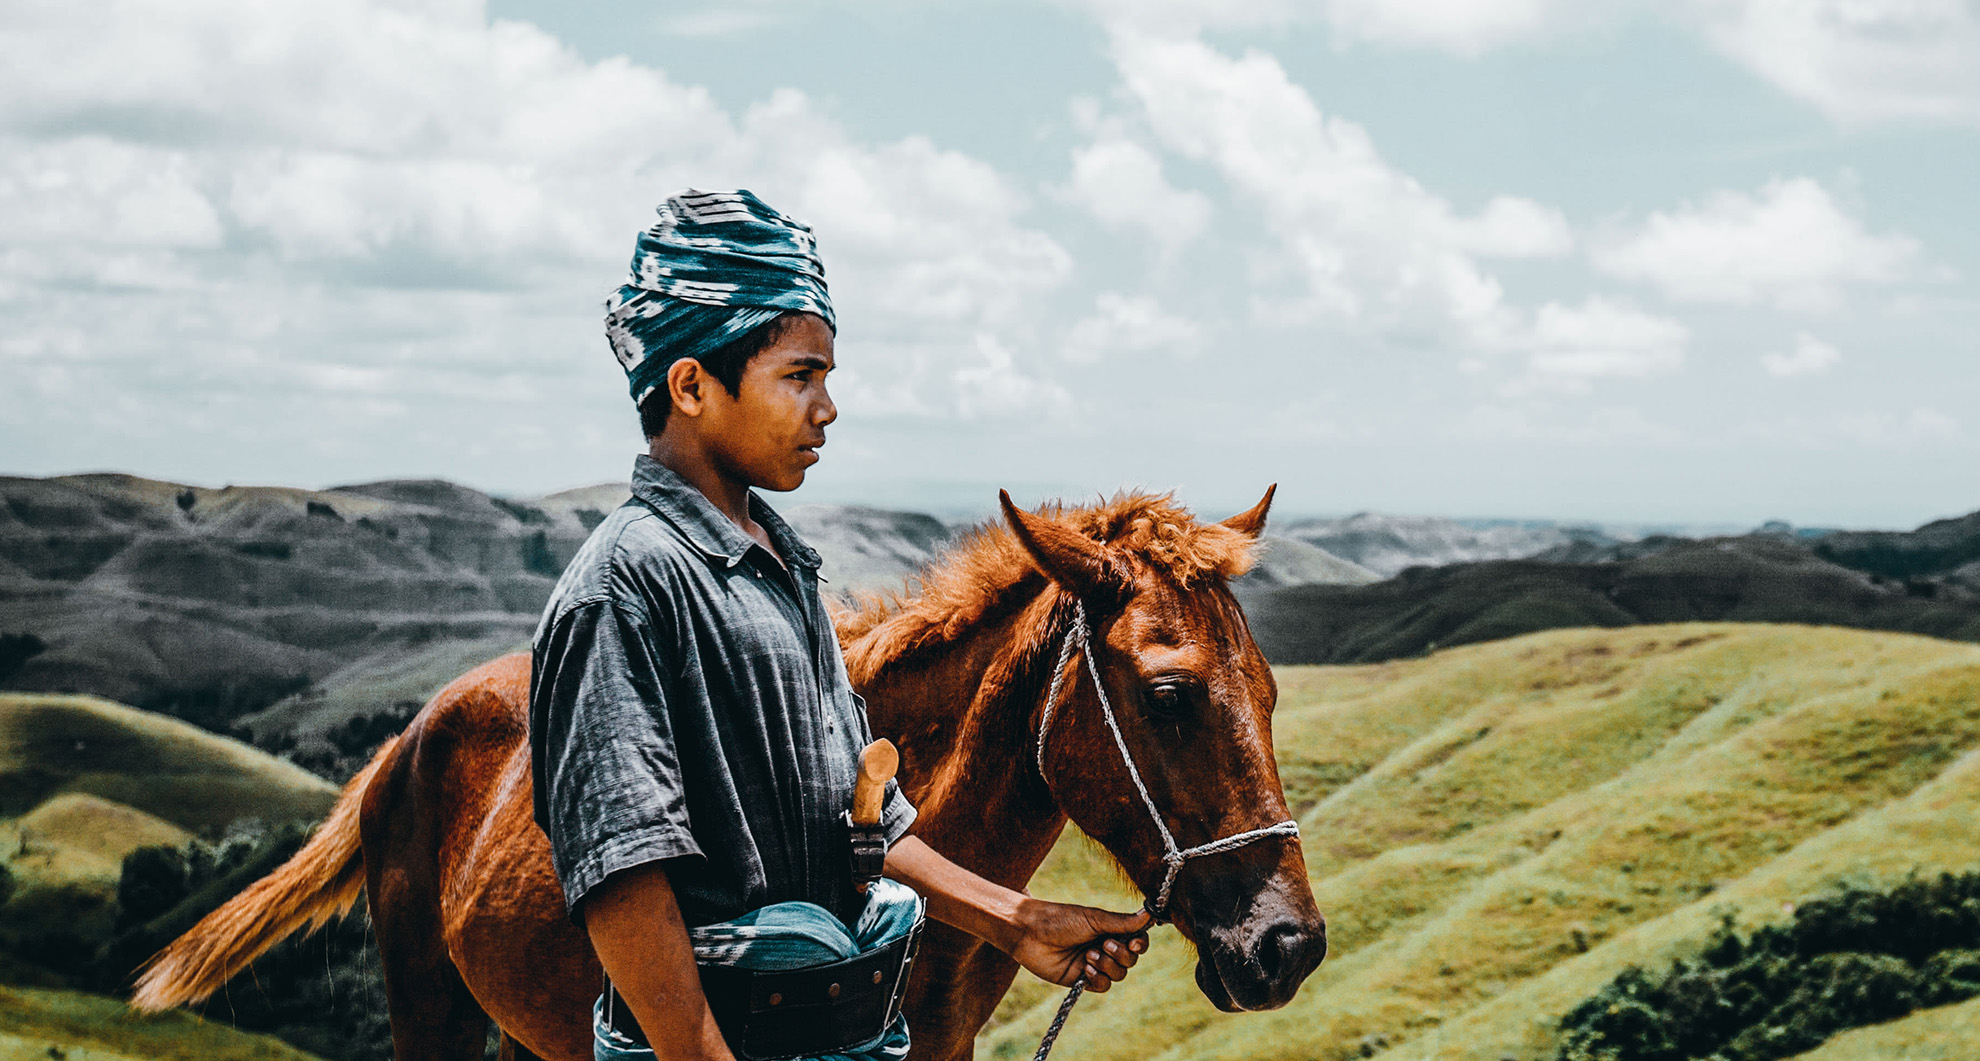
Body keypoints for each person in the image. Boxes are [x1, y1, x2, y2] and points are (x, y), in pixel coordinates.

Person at [530, 189, 1151, 1061]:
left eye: (827, 378)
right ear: (692, 384)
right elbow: (623, 877)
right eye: (799, 375)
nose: (827, 407)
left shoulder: (781, 567)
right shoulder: (624, 587)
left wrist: (1019, 921)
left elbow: (864, 820)